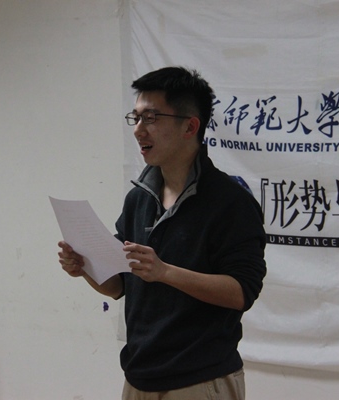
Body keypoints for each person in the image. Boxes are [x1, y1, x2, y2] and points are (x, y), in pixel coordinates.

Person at [58, 66, 266, 400]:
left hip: (200, 381)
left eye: (151, 118)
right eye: (136, 118)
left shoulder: (230, 202)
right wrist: (84, 267)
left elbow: (242, 291)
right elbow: (119, 285)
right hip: (138, 377)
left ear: (190, 126)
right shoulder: (139, 198)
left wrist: (165, 272)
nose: (139, 130)